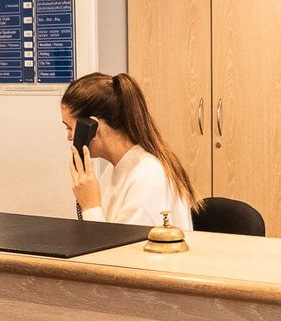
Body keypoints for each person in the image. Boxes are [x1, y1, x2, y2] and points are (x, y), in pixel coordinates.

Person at [61, 72, 198, 230]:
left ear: (93, 127)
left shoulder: (147, 174)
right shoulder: (113, 170)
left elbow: (122, 252)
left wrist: (90, 206)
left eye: (70, 127)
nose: (69, 137)